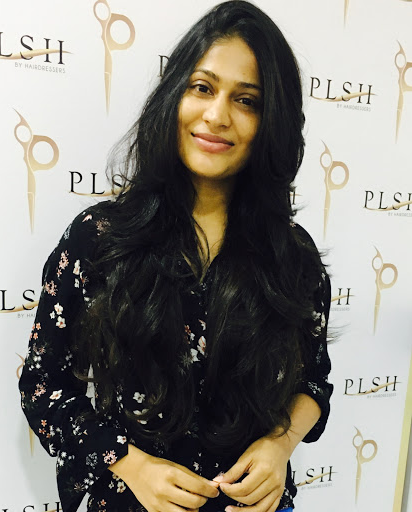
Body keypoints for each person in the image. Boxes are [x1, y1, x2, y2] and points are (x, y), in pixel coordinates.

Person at [19, 1, 333, 511]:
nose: (217, 116)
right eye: (203, 88)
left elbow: (314, 381)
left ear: (271, 122)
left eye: (247, 100)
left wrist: (280, 446)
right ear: (174, 95)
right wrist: (133, 467)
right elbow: (42, 385)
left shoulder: (292, 256)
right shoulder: (99, 240)